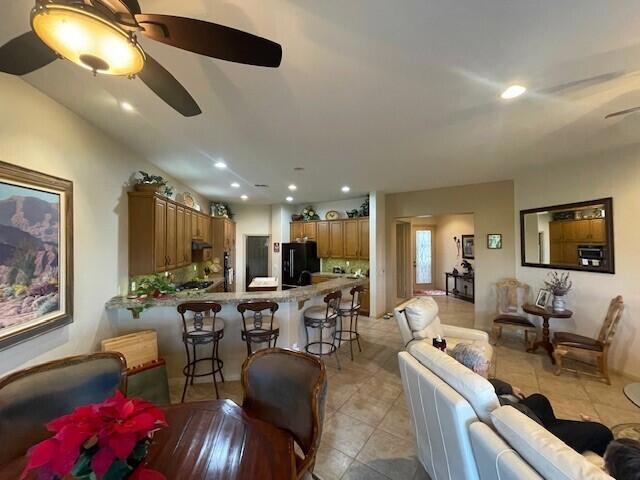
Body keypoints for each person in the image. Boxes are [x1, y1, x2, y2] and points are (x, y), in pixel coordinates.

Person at [450, 343, 613, 456]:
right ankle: (603, 466)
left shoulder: (465, 380)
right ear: (476, 369)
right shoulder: (487, 398)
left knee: (539, 399)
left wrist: (509, 388)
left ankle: (561, 430)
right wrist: (543, 430)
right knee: (601, 432)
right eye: (486, 368)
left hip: (523, 418)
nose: (489, 371)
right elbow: (515, 416)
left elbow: (489, 383)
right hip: (533, 433)